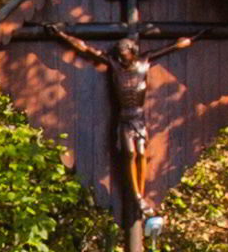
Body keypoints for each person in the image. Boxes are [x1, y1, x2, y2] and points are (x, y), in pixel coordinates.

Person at [49, 29, 200, 210]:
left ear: (132, 52)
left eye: (125, 55)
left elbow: (170, 48)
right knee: (129, 154)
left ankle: (140, 194)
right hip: (124, 117)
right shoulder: (115, 65)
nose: (122, 58)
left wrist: (189, 40)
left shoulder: (144, 62)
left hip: (139, 117)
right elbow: (87, 49)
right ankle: (136, 195)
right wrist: (62, 35)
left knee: (142, 153)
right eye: (120, 55)